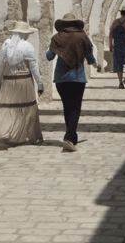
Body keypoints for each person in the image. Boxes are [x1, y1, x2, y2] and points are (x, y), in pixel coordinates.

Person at [0, 21, 44, 145]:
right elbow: (34, 68)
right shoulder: (27, 47)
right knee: (25, 108)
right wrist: (40, 84)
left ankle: (7, 132)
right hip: (24, 83)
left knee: (7, 107)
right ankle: (21, 135)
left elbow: (1, 66)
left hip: (8, 82)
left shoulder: (6, 46)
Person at [46, 13, 97, 152]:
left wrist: (56, 48)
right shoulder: (82, 37)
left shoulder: (57, 37)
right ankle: (69, 137)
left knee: (67, 107)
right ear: (75, 24)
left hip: (61, 78)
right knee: (75, 107)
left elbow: (49, 57)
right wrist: (94, 63)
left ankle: (72, 136)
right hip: (77, 77)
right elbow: (91, 59)